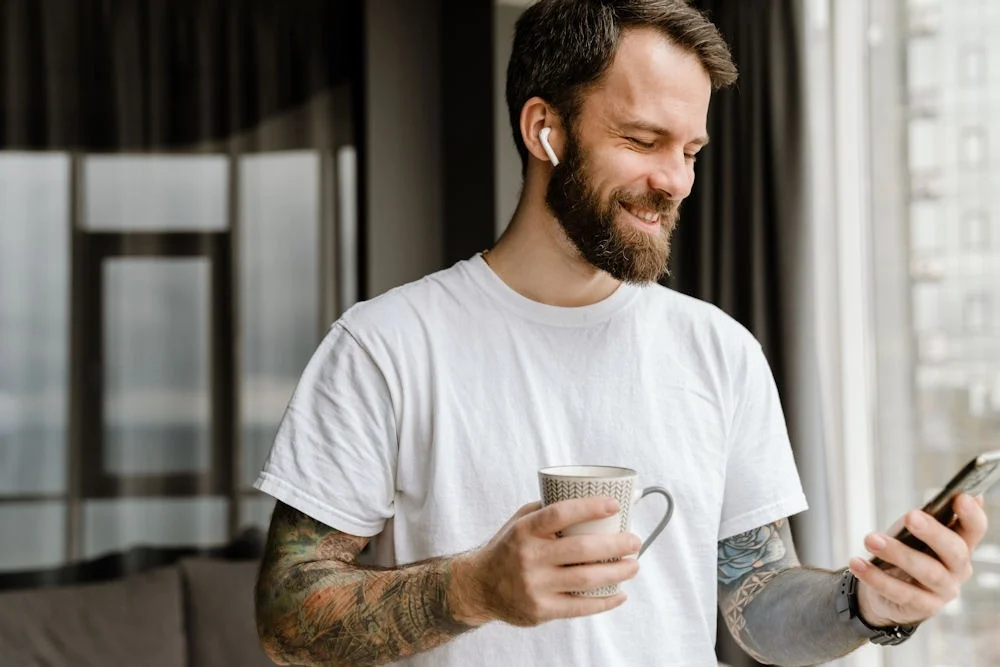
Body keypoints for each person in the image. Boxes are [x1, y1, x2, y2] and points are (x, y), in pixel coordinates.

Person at [253, 1, 989, 665]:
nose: (676, 181)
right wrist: (472, 587)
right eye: (643, 140)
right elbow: (285, 613)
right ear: (545, 130)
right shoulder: (385, 346)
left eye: (691, 151)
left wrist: (866, 606)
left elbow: (757, 605)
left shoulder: (720, 350)